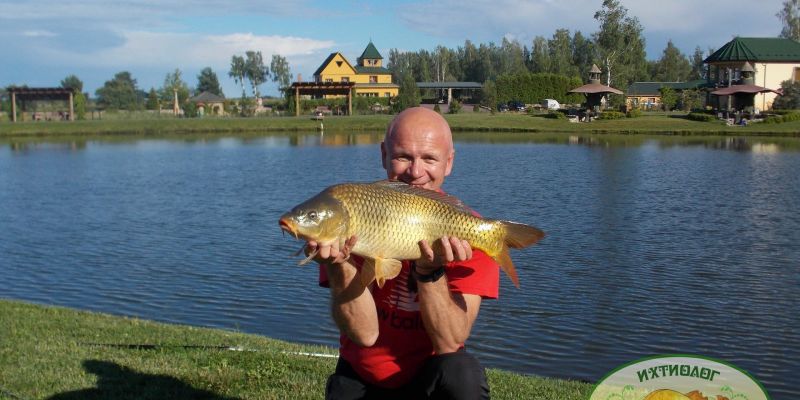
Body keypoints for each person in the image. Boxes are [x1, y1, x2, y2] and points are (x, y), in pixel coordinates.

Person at [306, 107, 497, 400]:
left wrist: (430, 273)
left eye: (429, 158)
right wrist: (338, 265)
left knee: (462, 375)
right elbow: (364, 335)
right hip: (363, 373)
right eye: (403, 156)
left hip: (432, 374)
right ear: (384, 154)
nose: (415, 172)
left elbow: (449, 342)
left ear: (449, 162)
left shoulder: (472, 234)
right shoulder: (351, 220)